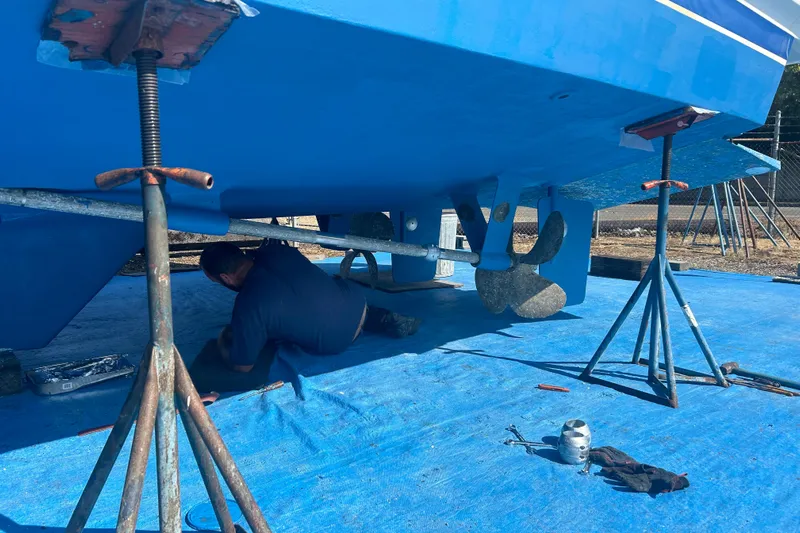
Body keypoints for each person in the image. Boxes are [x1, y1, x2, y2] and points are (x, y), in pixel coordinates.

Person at [200, 238, 421, 372]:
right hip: (357, 301)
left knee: (284, 322)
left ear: (225, 278)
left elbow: (243, 366)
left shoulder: (248, 305)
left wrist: (223, 344)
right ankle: (381, 318)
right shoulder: (278, 251)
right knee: (323, 294)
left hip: (336, 340)